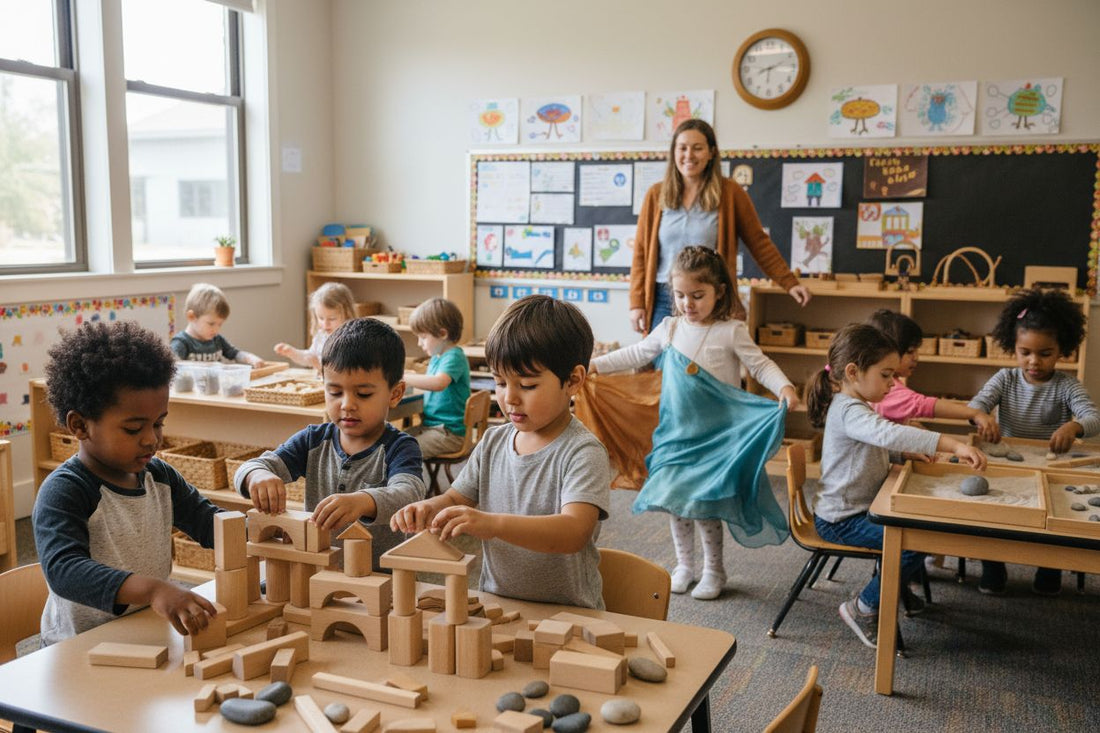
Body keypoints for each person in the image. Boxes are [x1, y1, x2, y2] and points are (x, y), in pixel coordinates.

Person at [591, 246, 798, 600]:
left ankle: (714, 570)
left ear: (719, 291)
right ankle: (685, 565)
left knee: (705, 507)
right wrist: (596, 364)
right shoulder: (669, 327)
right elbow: (637, 353)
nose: (688, 303)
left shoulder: (731, 331)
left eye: (698, 295)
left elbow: (760, 364)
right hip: (676, 435)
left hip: (717, 438)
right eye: (681, 295)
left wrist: (784, 386)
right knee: (676, 502)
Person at [390, 295, 611, 609]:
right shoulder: (493, 442)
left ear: (573, 380)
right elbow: (456, 498)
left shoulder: (582, 452)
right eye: (500, 382)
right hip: (499, 604)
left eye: (528, 385)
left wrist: (492, 524)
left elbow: (574, 531)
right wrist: (429, 508)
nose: (510, 399)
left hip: (569, 611)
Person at [33, 321, 222, 645]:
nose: (152, 440)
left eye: (158, 423)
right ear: (80, 425)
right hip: (79, 645)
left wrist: (261, 533)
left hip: (146, 629)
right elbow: (65, 570)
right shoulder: (65, 491)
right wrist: (152, 589)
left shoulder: (159, 476)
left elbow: (208, 522)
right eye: (134, 429)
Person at [805, 324, 986, 648]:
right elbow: (885, 433)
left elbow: (871, 446)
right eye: (886, 375)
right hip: (841, 520)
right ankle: (863, 606)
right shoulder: (848, 408)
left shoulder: (856, 405)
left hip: (860, 509)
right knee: (913, 542)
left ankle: (888, 592)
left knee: (918, 533)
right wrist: (950, 444)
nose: (892, 383)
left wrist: (900, 453)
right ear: (853, 371)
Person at [235, 317, 425, 567]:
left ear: (395, 394)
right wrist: (256, 475)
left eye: (363, 394)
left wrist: (363, 501)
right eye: (335, 392)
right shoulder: (313, 440)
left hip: (379, 576)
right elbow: (250, 467)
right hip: (317, 569)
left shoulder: (400, 447)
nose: (346, 404)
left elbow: (409, 494)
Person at [967, 287, 1099, 596]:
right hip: (1008, 460)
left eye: (1045, 353)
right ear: (1013, 347)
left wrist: (1074, 426)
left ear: (1062, 350)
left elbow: (1093, 418)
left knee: (1052, 519)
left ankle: (1049, 570)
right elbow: (976, 405)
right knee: (994, 514)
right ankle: (993, 568)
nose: (1033, 361)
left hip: (1049, 465)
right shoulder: (1005, 379)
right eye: (1025, 352)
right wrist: (982, 417)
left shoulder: (1068, 385)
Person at [628, 118, 810, 334]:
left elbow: (759, 243)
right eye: (683, 148)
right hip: (663, 297)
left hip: (709, 298)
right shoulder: (656, 195)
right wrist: (636, 302)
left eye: (697, 148)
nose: (689, 155)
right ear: (674, 152)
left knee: (706, 363)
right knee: (662, 364)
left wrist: (789, 283)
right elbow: (641, 252)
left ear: (712, 152)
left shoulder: (730, 193)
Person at [868, 309, 997, 431]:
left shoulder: (888, 383)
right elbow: (922, 405)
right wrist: (974, 413)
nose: (916, 357)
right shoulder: (887, 388)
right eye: (910, 351)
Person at [402, 298, 471, 459]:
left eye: (423, 337)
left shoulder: (454, 356)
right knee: (393, 443)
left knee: (402, 452)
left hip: (449, 433)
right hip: (431, 427)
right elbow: (429, 384)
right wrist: (413, 378)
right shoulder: (437, 358)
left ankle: (405, 484)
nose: (419, 343)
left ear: (442, 334)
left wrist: (404, 378)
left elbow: (438, 383)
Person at [170, 282, 264, 365]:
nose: (216, 330)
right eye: (211, 324)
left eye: (220, 324)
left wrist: (250, 358)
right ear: (191, 317)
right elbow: (172, 367)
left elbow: (235, 354)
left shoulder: (217, 340)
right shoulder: (181, 343)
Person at [275, 282, 357, 372]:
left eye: (332, 319)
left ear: (347, 315)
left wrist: (320, 367)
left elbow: (344, 373)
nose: (325, 325)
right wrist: (292, 352)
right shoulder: (321, 335)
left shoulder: (351, 340)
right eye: (321, 318)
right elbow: (310, 357)